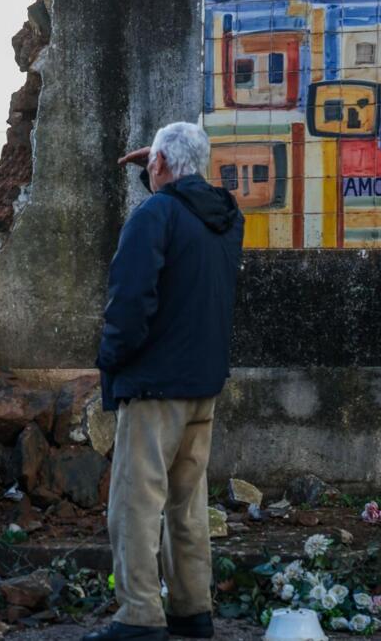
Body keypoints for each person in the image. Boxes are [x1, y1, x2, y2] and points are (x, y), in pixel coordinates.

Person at [82, 123, 245, 641]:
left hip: (155, 385)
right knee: (187, 504)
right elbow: (180, 189)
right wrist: (156, 159)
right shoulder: (225, 219)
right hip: (203, 384)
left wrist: (111, 359)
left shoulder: (154, 215)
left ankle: (138, 617)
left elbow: (130, 302)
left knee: (136, 503)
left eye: (149, 164)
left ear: (158, 165)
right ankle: (193, 611)